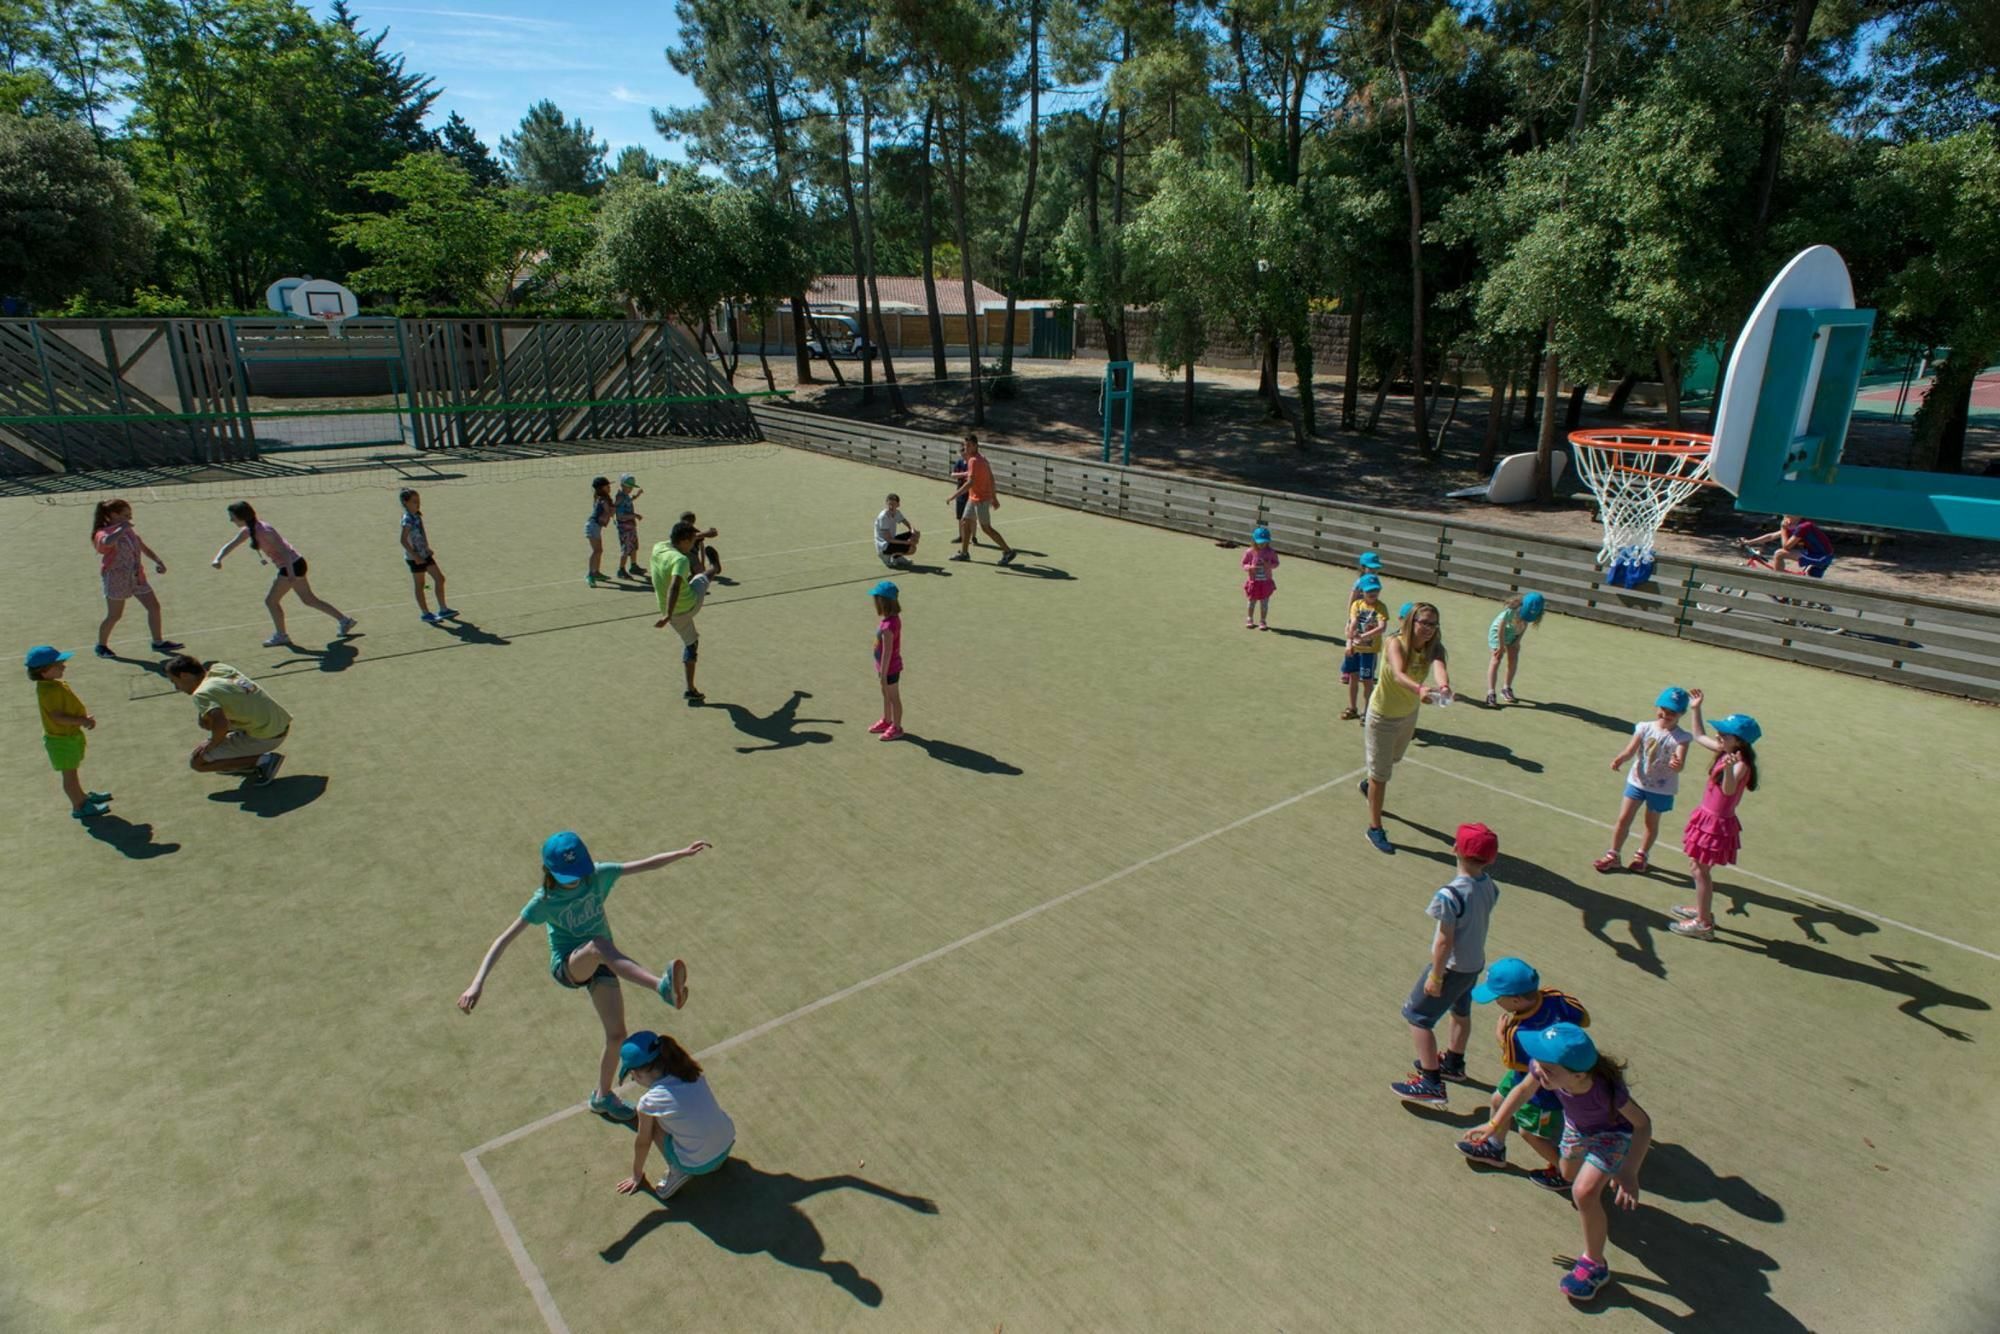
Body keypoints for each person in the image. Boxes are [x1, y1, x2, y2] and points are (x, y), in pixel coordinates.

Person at [457, 833, 709, 1125]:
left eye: (577, 872)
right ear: (550, 871)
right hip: (569, 966)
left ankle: (602, 1097)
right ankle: (661, 987)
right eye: (567, 875)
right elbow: (504, 939)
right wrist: (477, 982)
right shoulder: (544, 901)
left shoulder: (596, 877)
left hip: (601, 964)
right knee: (598, 944)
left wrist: (683, 852)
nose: (575, 879)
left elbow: (641, 865)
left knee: (616, 1035)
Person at [1505, 1023, 1653, 1302]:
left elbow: (1643, 1125)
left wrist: (1629, 1172)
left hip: (1612, 1135)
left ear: (1578, 1075)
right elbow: (1523, 1091)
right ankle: (1597, 1177)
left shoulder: (1607, 1092)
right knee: (1567, 1174)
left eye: (1548, 1068)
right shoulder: (1545, 1071)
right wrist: (1494, 1124)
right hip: (1577, 1128)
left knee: (1583, 1193)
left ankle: (1594, 1265)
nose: (1537, 1068)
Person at [1390, 822, 1501, 1108]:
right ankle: (1453, 1063)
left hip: (1451, 968)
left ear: (1455, 848)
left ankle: (1430, 1081)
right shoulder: (1490, 886)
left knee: (1417, 1017)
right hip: (1473, 964)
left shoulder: (1449, 895)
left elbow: (1443, 942)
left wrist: (1436, 977)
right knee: (1461, 1013)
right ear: (1491, 858)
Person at [1453, 958, 1589, 1189]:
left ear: (1515, 1000)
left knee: (1531, 1133)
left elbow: (1512, 1061)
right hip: (1559, 1069)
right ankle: (1494, 1147)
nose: (1496, 1001)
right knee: (1498, 1098)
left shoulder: (1516, 1032)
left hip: (1542, 1090)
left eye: (1498, 997)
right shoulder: (1557, 997)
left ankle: (1567, 1173)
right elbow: (1583, 1019)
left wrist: (1500, 1035)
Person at [1361, 602, 1452, 854]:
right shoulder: (1395, 643)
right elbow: (1399, 673)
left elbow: (1439, 668)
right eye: (1423, 622)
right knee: (1381, 776)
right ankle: (1374, 828)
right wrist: (1420, 689)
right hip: (1382, 716)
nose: (1428, 629)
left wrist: (1443, 687)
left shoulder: (1435, 647)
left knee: (1392, 760)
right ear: (1411, 621)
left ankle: (1369, 785)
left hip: (1408, 715)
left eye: (1433, 624)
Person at [1668, 693, 1760, 940]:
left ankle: (1704, 923)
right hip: (1706, 817)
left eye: (1725, 734)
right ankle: (1701, 910)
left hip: (1717, 824)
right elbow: (1698, 736)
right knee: (1696, 867)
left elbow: (1729, 790)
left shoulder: (1740, 765)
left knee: (1700, 871)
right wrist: (1697, 708)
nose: (1719, 736)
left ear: (1739, 742)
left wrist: (1729, 769)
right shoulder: (1723, 750)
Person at [212, 502, 356, 647]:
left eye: (233, 517)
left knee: (271, 601)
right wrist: (218, 559)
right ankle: (345, 621)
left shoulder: (265, 531)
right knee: (308, 599)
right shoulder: (249, 530)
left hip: (291, 566)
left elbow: (285, 551)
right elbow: (231, 544)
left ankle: (281, 635)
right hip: (295, 565)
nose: (231, 520)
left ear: (242, 516)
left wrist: (291, 573)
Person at [614, 1029, 736, 1201]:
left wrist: (636, 1175)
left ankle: (678, 1171)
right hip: (727, 1142)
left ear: (637, 1074)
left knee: (654, 1124)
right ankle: (716, 1162)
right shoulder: (691, 1073)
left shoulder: (649, 1102)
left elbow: (643, 1141)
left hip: (699, 1163)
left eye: (632, 1077)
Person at [1594, 687, 1692, 874]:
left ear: (1682, 714)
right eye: (1663, 709)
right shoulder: (1644, 727)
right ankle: (1613, 855)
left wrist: (1676, 764)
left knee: (1650, 823)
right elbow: (1631, 750)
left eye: (1673, 712)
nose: (1666, 714)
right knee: (1623, 819)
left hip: (1661, 789)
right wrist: (1621, 758)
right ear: (1657, 707)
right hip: (1637, 782)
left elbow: (1680, 765)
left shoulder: (1682, 738)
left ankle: (1642, 855)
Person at [163, 654, 290, 784]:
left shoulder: (202, 694)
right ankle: (243, 761)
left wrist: (212, 743)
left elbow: (221, 724)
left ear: (184, 675)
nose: (177, 688)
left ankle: (264, 761)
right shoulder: (221, 669)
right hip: (280, 722)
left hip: (268, 736)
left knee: (198, 762)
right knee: (205, 722)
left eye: (175, 682)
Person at [90, 498, 181, 657]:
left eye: (130, 515)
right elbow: (107, 542)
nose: (129, 519)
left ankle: (158, 642)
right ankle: (101, 646)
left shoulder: (129, 531)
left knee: (154, 607)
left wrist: (158, 561)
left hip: (137, 576)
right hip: (116, 579)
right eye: (125, 515)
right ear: (112, 515)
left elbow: (142, 547)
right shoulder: (103, 533)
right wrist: (121, 529)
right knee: (114, 615)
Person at [27, 645, 109, 820]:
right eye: (59, 664)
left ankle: (82, 797)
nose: (64, 666)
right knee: (70, 776)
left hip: (68, 738)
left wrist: (81, 717)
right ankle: (79, 807)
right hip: (61, 741)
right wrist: (83, 721)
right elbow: (58, 717)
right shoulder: (49, 691)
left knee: (73, 772)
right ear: (44, 671)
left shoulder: (53, 685)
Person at [651, 521, 712, 703]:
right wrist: (668, 614)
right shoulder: (681, 560)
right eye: (692, 541)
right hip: (688, 604)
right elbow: (675, 586)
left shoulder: (658, 548)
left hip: (672, 613)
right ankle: (714, 565)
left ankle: (690, 689)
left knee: (690, 643)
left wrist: (704, 534)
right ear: (685, 540)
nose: (693, 544)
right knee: (705, 576)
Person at [945, 433, 1016, 564]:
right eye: (965, 445)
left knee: (986, 528)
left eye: (969, 445)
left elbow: (970, 483)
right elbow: (991, 477)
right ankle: (965, 553)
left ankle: (1008, 551)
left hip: (981, 500)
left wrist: (953, 496)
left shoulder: (973, 461)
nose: (966, 447)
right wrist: (994, 498)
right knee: (965, 522)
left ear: (975, 445)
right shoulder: (982, 458)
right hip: (974, 498)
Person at [399, 488, 455, 624]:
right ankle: (425, 613)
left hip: (424, 554)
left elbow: (421, 533)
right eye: (414, 501)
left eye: (418, 501)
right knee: (420, 584)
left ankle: (443, 609)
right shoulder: (407, 519)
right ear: (405, 502)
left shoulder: (417, 516)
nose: (417, 504)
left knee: (440, 578)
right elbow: (403, 540)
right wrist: (415, 556)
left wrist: (427, 547)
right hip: (415, 558)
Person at [1484, 590, 1544, 706]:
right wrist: (1501, 647)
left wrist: (1517, 640)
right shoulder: (1511, 611)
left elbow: (1524, 624)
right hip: (1498, 633)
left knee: (1513, 658)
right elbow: (1501, 627)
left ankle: (1506, 688)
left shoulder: (1532, 613)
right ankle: (1491, 694)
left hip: (1514, 634)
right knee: (1496, 659)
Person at [1340, 574, 1388, 720]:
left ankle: (1367, 712)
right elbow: (1352, 623)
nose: (1373, 593)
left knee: (1367, 682)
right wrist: (1349, 643)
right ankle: (1352, 708)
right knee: (1353, 679)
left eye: (1376, 590)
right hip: (1355, 650)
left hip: (1369, 652)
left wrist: (1363, 636)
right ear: (1362, 591)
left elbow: (1382, 627)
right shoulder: (1357, 605)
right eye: (1369, 591)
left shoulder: (1381, 607)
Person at [868, 580, 905, 740]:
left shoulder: (888, 626)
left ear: (882, 602)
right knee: (886, 695)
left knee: (893, 697)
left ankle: (896, 727)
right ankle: (886, 720)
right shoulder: (890, 620)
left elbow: (887, 652)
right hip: (883, 668)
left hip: (889, 670)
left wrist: (883, 675)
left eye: (876, 600)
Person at [1745, 514, 1834, 577]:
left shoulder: (1804, 526)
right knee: (1807, 587)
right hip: (1812, 554)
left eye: (1787, 514)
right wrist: (1749, 542)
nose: (1784, 517)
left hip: (1821, 557)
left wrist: (1783, 529)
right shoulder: (1793, 525)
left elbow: (1786, 547)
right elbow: (1771, 536)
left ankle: (1778, 582)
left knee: (1779, 553)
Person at [1240, 526, 1279, 630]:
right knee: (1251, 602)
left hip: (1265, 583)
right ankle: (1249, 618)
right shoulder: (1249, 552)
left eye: (1265, 542)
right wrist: (1250, 567)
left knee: (1264, 603)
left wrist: (1269, 565)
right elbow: (1243, 564)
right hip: (1254, 582)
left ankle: (1263, 621)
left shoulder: (1271, 552)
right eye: (1260, 542)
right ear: (1254, 541)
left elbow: (1276, 563)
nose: (1262, 544)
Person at [612, 475, 646, 581]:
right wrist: (635, 515)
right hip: (625, 528)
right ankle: (621, 570)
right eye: (629, 487)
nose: (631, 489)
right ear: (622, 485)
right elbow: (621, 516)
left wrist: (637, 495)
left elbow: (629, 500)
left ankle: (634, 566)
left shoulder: (625, 496)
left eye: (632, 487)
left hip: (631, 527)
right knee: (626, 549)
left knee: (634, 546)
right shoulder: (620, 497)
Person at [874, 493, 920, 569]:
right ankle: (886, 556)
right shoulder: (883, 517)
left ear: (898, 505)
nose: (891, 507)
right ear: (886, 503)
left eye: (893, 504)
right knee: (912, 549)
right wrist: (907, 542)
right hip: (884, 546)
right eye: (889, 504)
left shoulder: (897, 513)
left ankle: (896, 556)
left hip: (891, 541)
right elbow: (888, 539)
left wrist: (913, 531)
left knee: (917, 534)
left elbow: (908, 524)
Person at [584, 477, 614, 586]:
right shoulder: (603, 500)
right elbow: (609, 513)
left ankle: (596, 572)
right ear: (601, 488)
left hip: (595, 527)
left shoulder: (601, 498)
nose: (609, 487)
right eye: (607, 486)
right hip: (593, 526)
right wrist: (617, 506)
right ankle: (590, 575)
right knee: (596, 551)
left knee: (599, 550)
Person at [948, 452, 981, 547]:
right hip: (960, 493)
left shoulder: (973, 463)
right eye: (962, 453)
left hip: (971, 494)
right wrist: (965, 474)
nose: (963, 455)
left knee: (972, 517)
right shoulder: (959, 462)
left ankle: (974, 537)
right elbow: (953, 474)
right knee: (960, 517)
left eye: (965, 452)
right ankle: (961, 536)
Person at [680, 511, 723, 579]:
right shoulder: (679, 530)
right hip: (682, 555)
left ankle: (715, 566)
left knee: (699, 575)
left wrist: (702, 563)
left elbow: (701, 546)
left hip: (692, 555)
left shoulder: (695, 531)